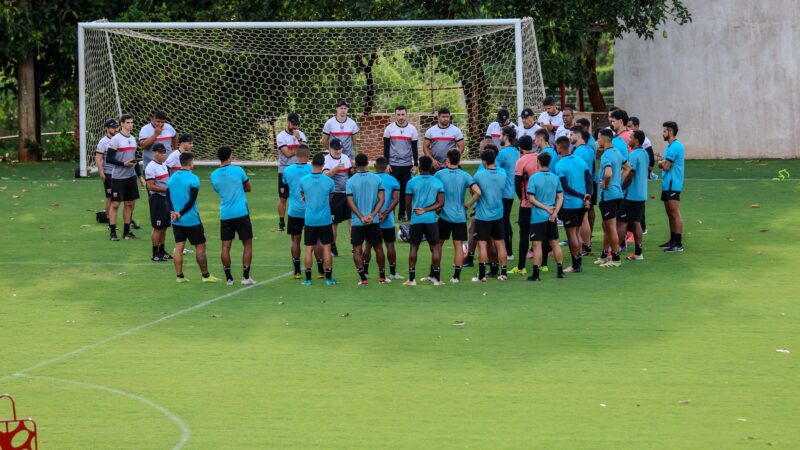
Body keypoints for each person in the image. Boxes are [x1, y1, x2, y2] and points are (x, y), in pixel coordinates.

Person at [167, 152, 219, 283]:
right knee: (200, 246)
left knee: (179, 246)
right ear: (191, 162)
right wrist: (181, 213)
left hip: (176, 219)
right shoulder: (193, 179)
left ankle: (179, 276)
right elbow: (191, 200)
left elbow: (167, 198)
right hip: (191, 219)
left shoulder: (172, 178)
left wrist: (173, 212)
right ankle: (205, 276)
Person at [211, 146, 255, 286]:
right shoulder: (238, 170)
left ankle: (229, 278)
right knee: (247, 243)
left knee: (225, 246)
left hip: (225, 214)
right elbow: (248, 187)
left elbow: (219, 190)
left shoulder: (214, 175)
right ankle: (246, 277)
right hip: (241, 212)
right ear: (230, 156)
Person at [434, 149, 480, 283]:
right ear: (459, 160)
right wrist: (468, 204)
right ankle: (456, 277)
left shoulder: (439, 174)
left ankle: (435, 274)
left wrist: (436, 206)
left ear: (447, 160)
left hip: (444, 215)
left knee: (438, 245)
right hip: (459, 216)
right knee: (458, 245)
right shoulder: (465, 175)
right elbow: (477, 192)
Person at [403, 156, 445, 286]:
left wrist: (410, 219)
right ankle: (437, 279)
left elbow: (408, 203)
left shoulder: (412, 182)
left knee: (414, 247)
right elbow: (441, 203)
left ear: (420, 167)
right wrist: (427, 210)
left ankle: (411, 279)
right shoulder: (437, 182)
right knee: (435, 248)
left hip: (416, 220)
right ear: (431, 167)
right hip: (431, 220)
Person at [346, 153, 386, 285]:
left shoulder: (350, 181)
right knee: (378, 248)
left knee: (357, 250)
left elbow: (350, 202)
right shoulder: (376, 179)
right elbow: (382, 200)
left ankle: (363, 278)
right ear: (368, 162)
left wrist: (361, 217)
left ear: (355, 164)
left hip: (358, 222)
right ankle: (382, 277)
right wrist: (372, 215)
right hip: (372, 221)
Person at [554, 136, 592, 273]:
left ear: (559, 146)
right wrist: (587, 196)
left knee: (572, 235)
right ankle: (578, 263)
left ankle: (575, 265)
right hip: (582, 205)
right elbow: (589, 180)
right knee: (577, 233)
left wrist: (582, 196)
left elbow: (565, 187)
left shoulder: (559, 165)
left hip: (570, 205)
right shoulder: (580, 161)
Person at [282, 145, 320, 279]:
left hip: (294, 211)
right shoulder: (312, 169)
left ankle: (297, 271)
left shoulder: (287, 170)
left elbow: (286, 186)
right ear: (308, 156)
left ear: (295, 155)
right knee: (316, 240)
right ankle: (321, 271)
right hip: (310, 210)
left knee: (295, 240)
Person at [526, 152, 566, 281]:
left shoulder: (534, 178)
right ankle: (560, 270)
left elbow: (531, 199)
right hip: (551, 217)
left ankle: (536, 275)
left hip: (538, 217)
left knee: (537, 245)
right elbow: (560, 197)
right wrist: (554, 212)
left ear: (538, 162)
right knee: (554, 243)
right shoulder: (555, 178)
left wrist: (544, 208)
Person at [105, 114, 145, 241]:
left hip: (131, 177)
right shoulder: (116, 139)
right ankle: (112, 233)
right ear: (121, 124)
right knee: (115, 204)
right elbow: (109, 158)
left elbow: (135, 160)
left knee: (129, 204)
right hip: (118, 177)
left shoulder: (133, 139)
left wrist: (140, 176)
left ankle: (127, 232)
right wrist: (123, 164)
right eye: (128, 122)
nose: (130, 125)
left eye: (132, 122)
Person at [299, 153, 337, 285]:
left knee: (308, 248)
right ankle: (328, 278)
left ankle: (308, 279)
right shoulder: (329, 181)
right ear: (323, 165)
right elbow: (330, 198)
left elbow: (303, 197)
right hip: (325, 219)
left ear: (311, 163)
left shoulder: (303, 180)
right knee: (327, 248)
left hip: (309, 219)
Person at [471, 149, 509, 282]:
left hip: (483, 216)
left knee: (482, 245)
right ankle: (503, 273)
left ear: (484, 162)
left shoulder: (479, 175)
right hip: (498, 214)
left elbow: (474, 191)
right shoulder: (503, 173)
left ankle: (481, 275)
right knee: (500, 244)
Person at [365, 157, 403, 279]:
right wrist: (385, 213)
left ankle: (365, 271)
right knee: (390, 245)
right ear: (387, 166)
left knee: (368, 245)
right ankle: (393, 273)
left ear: (375, 166)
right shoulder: (393, 180)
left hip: (371, 218)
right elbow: (396, 199)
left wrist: (373, 214)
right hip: (388, 220)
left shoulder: (369, 179)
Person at [617, 130, 649, 261]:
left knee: (621, 222)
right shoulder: (645, 153)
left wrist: (620, 188)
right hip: (641, 194)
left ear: (636, 140)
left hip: (631, 195)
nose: (628, 139)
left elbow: (630, 174)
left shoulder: (633, 155)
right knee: (636, 222)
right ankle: (638, 252)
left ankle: (614, 252)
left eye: (630, 137)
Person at [383, 105, 419, 222]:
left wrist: (416, 164)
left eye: (403, 114)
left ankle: (401, 214)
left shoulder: (412, 129)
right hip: (393, 165)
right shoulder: (389, 129)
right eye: (398, 115)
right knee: (392, 190)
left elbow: (414, 149)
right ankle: (390, 213)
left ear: (406, 115)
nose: (401, 117)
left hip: (407, 165)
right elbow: (386, 148)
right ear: (395, 115)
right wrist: (387, 164)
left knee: (404, 191)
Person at [594, 129, 624, 267]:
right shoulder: (617, 152)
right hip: (617, 194)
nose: (597, 141)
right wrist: (618, 181)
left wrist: (606, 184)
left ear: (604, 139)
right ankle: (604, 254)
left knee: (610, 227)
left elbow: (607, 174)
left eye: (598, 138)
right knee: (606, 226)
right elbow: (628, 167)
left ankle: (616, 258)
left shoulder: (606, 155)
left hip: (609, 196)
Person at [511, 135, 538, 275]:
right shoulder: (539, 158)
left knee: (524, 234)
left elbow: (517, 184)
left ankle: (521, 266)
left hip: (527, 203)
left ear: (520, 148)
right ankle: (543, 264)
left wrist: (522, 198)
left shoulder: (521, 161)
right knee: (541, 234)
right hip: (541, 203)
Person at [276, 112, 308, 231]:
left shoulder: (302, 135)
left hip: (300, 170)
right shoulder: (281, 136)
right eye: (293, 124)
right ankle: (281, 222)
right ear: (288, 123)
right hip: (285, 170)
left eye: (297, 124)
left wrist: (299, 139)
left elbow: (306, 152)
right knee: (283, 197)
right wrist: (300, 147)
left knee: (302, 196)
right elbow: (287, 153)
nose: (295, 127)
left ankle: (304, 220)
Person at [322, 137, 353, 257]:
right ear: (329, 148)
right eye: (335, 149)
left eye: (339, 148)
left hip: (348, 194)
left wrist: (354, 169)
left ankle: (354, 246)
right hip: (335, 196)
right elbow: (325, 175)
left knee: (352, 220)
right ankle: (333, 246)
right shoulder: (327, 160)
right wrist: (335, 169)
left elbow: (350, 172)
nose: (338, 151)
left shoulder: (345, 157)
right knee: (334, 223)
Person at [658, 121, 685, 252]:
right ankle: (672, 240)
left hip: (673, 184)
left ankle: (678, 244)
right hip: (667, 184)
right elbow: (663, 164)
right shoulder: (669, 147)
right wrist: (662, 163)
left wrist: (662, 163)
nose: (662, 133)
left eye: (664, 131)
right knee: (669, 213)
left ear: (670, 131)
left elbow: (666, 166)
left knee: (675, 213)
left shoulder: (675, 147)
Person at [571, 126, 597, 255]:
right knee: (585, 216)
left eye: (572, 135)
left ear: (578, 136)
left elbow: (579, 172)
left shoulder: (578, 152)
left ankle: (585, 245)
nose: (570, 137)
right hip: (590, 184)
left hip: (582, 187)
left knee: (583, 218)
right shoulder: (590, 149)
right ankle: (587, 244)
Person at [144, 143, 171, 262]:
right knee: (158, 227)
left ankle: (162, 250)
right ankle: (155, 253)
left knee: (164, 227)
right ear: (154, 153)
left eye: (164, 152)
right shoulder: (151, 167)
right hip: (157, 200)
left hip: (165, 199)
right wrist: (166, 190)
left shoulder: (163, 165)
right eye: (160, 152)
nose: (162, 154)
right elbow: (150, 186)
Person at [496, 126, 520, 261]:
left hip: (504, 192)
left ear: (505, 136)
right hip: (510, 192)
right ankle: (508, 251)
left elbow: (493, 167)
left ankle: (508, 251)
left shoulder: (503, 153)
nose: (499, 136)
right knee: (506, 220)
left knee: (503, 221)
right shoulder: (515, 151)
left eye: (501, 134)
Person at [95, 118, 119, 225]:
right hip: (108, 173)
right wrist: (101, 173)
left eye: (116, 127)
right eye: (113, 127)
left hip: (119, 173)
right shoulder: (103, 142)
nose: (115, 129)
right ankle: (109, 219)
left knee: (118, 197)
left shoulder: (119, 139)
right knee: (110, 197)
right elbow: (98, 159)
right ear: (107, 129)